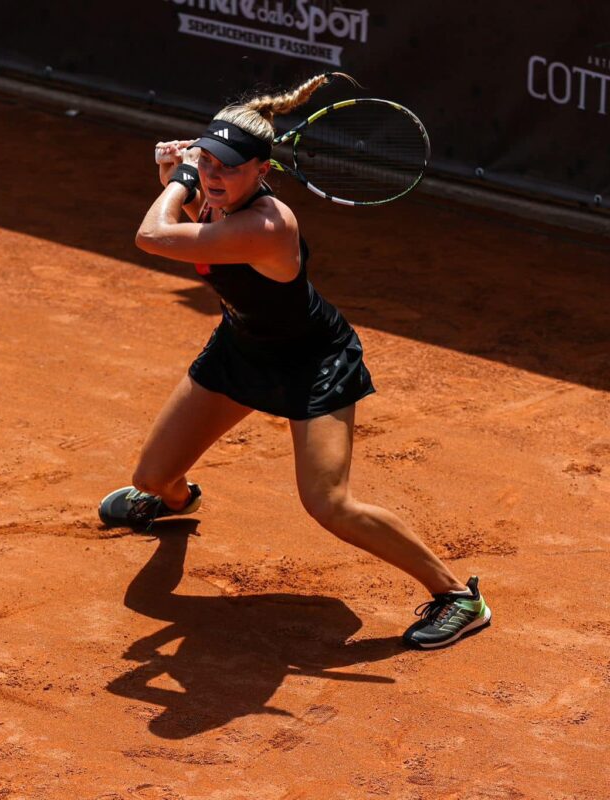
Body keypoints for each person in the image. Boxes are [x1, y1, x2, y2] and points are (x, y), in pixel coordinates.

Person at [98, 73, 491, 650]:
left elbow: (154, 236)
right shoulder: (220, 201)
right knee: (151, 479)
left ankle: (459, 597)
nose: (213, 176)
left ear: (264, 170)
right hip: (241, 349)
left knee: (328, 503)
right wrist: (181, 181)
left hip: (313, 365)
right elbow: (191, 228)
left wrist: (179, 180)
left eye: (228, 168)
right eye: (208, 161)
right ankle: (176, 500)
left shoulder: (269, 225)